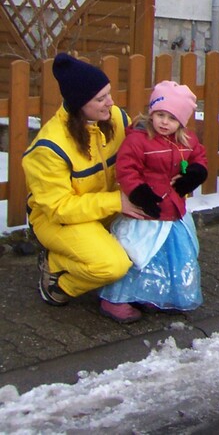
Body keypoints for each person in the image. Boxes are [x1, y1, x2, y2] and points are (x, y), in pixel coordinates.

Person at [23, 53, 149, 319]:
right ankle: (58, 277)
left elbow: (140, 154)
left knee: (157, 229)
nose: (110, 102)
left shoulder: (115, 118)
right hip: (58, 220)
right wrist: (117, 202)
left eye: (109, 94)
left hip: (103, 209)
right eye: (101, 99)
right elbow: (59, 208)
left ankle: (143, 292)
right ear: (80, 103)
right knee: (112, 265)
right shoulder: (50, 147)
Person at [100, 80, 208, 319]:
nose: (164, 122)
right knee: (139, 253)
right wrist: (138, 192)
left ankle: (157, 294)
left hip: (173, 211)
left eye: (172, 118)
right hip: (145, 212)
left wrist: (195, 173)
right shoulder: (138, 139)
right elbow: (127, 168)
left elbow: (199, 157)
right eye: (160, 115)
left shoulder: (186, 140)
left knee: (172, 255)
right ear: (152, 113)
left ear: (181, 121)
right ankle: (117, 298)